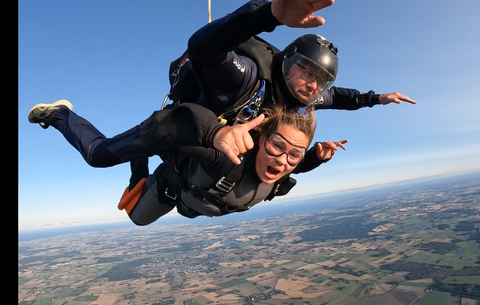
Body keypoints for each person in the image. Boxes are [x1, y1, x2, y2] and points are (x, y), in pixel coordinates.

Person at [28, 100, 347, 225]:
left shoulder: (278, 174)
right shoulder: (224, 162)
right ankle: (60, 115)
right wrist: (215, 134)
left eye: (295, 154)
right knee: (137, 216)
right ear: (261, 139)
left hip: (195, 200)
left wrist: (314, 160)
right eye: (278, 146)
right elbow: (190, 123)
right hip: (172, 187)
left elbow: (285, 167)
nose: (283, 160)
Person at [181, 0, 416, 124]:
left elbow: (336, 97)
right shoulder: (247, 78)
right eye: (309, 73)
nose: (315, 86)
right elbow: (204, 50)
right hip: (187, 154)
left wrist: (374, 98)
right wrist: (267, 16)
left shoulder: (306, 96)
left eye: (322, 81)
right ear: (287, 61)